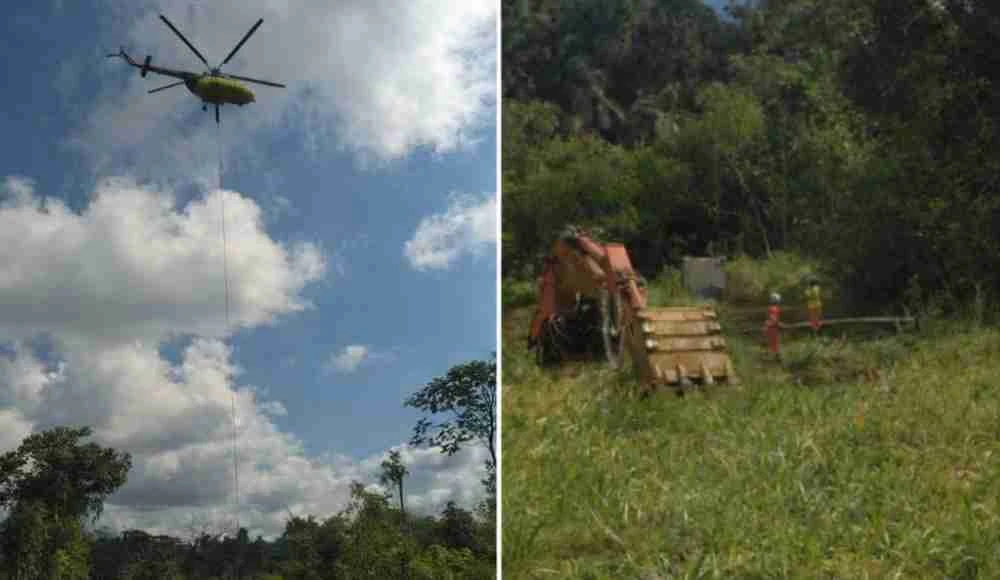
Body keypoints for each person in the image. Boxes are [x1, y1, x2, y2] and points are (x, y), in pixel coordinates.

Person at [764, 292, 782, 359]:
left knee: (771, 342)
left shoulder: (771, 308)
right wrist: (777, 323)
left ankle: (772, 355)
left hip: (770, 326)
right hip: (772, 327)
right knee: (774, 342)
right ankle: (776, 357)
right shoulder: (774, 309)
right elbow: (773, 318)